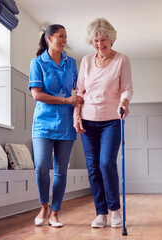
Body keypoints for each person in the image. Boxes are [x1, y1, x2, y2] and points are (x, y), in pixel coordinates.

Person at [73, 18, 133, 228]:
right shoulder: (87, 60)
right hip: (88, 120)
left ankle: (114, 209)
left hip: (112, 121)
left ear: (111, 38)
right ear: (91, 42)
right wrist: (76, 116)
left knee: (106, 163)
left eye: (104, 39)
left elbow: (126, 88)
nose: (100, 44)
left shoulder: (122, 60)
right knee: (93, 167)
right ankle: (101, 213)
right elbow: (80, 91)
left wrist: (124, 102)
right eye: (96, 40)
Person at [29, 24, 83, 228]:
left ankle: (55, 213)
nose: (64, 40)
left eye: (66, 37)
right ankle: (44, 206)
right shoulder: (37, 63)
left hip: (67, 125)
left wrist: (77, 110)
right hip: (43, 124)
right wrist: (67, 101)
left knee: (61, 171)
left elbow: (77, 90)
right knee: (42, 167)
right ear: (49, 38)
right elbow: (37, 95)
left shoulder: (71, 63)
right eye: (61, 36)